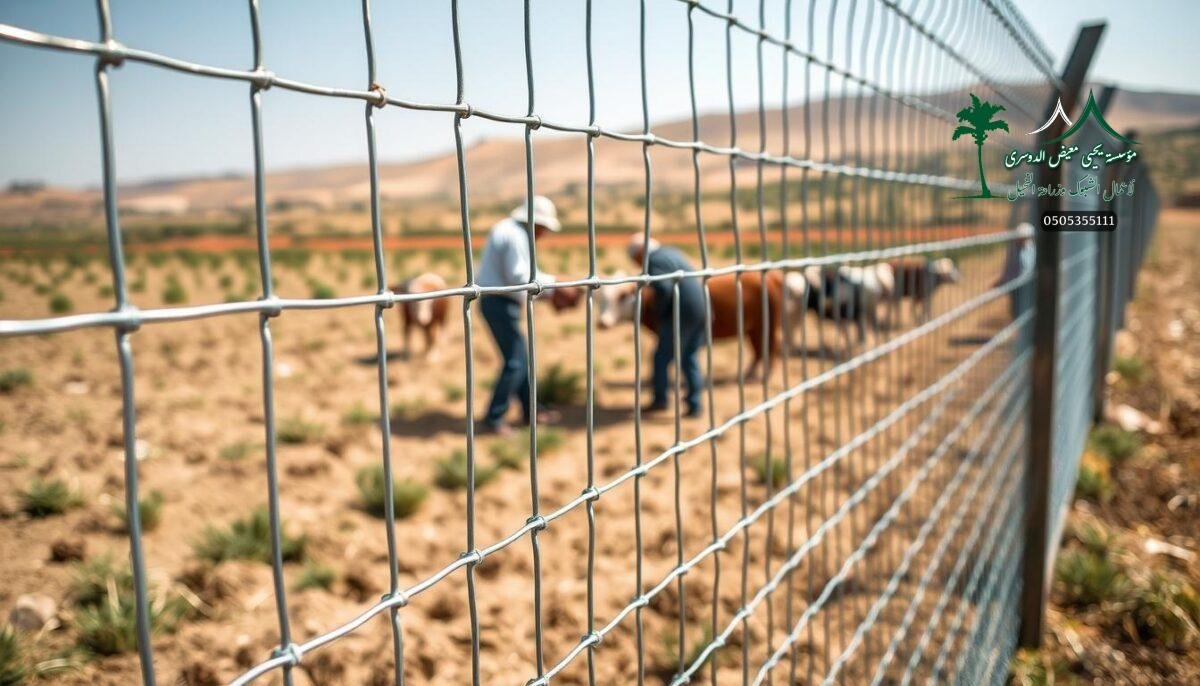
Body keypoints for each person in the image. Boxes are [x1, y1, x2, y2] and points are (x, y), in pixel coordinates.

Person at [476, 196, 566, 436]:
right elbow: (519, 277)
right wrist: (556, 286)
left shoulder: (509, 230)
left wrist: (552, 286)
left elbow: (524, 276)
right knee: (515, 362)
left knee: (520, 358)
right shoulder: (515, 235)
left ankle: (531, 411)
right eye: (543, 228)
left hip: (499, 302)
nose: (544, 234)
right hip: (499, 303)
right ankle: (494, 417)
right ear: (535, 222)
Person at [626, 233, 707, 418]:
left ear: (640, 252)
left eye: (635, 258)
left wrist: (659, 312)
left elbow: (663, 288)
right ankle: (695, 405)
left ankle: (660, 400)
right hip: (700, 308)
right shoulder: (671, 253)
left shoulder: (654, 260)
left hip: (681, 313)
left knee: (661, 357)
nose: (637, 263)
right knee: (690, 357)